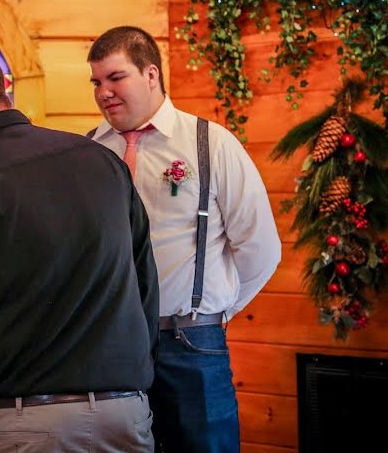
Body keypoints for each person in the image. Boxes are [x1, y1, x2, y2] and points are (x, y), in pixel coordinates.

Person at [0, 50, 160, 452]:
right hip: (126, 414)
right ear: (2, 94)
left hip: (20, 421)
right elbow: (145, 283)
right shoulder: (102, 160)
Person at [86, 26, 281, 453]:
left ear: (151, 74)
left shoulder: (210, 144)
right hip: (110, 347)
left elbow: (260, 248)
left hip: (190, 343)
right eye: (96, 82)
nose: (104, 93)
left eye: (115, 78)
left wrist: (209, 311)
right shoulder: (89, 152)